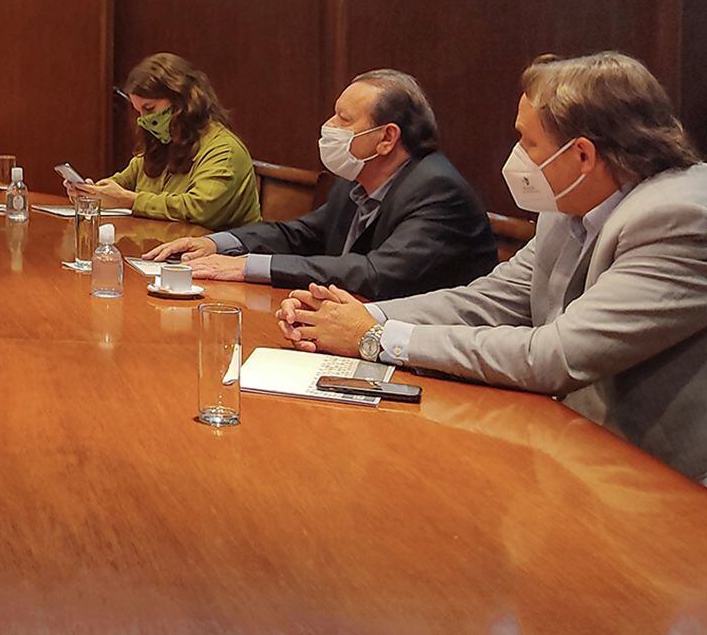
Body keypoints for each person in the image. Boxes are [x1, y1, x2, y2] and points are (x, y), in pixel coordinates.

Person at [280, 52, 707, 483]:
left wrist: (375, 338)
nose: (517, 154)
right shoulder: (570, 204)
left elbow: (555, 356)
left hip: (662, 484)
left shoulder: (678, 219)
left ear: (582, 155)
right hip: (572, 450)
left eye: (528, 141)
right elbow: (492, 298)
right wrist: (353, 316)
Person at [145, 69, 497, 299]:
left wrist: (247, 267)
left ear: (387, 138)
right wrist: (218, 244)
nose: (328, 126)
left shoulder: (437, 191)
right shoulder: (357, 178)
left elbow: (375, 272)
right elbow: (301, 235)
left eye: (344, 119)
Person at [71, 53, 261, 230]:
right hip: (165, 250)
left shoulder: (224, 150)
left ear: (182, 100)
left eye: (149, 108)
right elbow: (123, 183)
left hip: (221, 258)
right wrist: (93, 193)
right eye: (138, 111)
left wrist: (129, 200)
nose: (143, 120)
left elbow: (198, 208)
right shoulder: (163, 141)